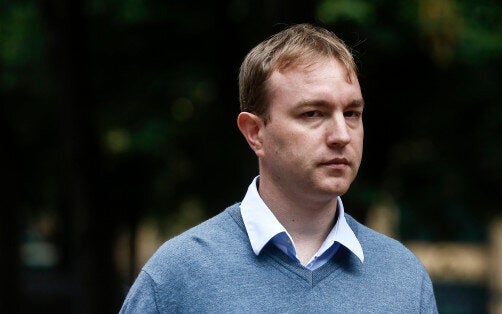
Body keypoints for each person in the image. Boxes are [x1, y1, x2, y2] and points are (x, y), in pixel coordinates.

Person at [120, 23, 438, 313]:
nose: (342, 135)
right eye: (313, 113)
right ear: (255, 133)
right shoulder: (179, 276)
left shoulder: (403, 278)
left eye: (352, 113)